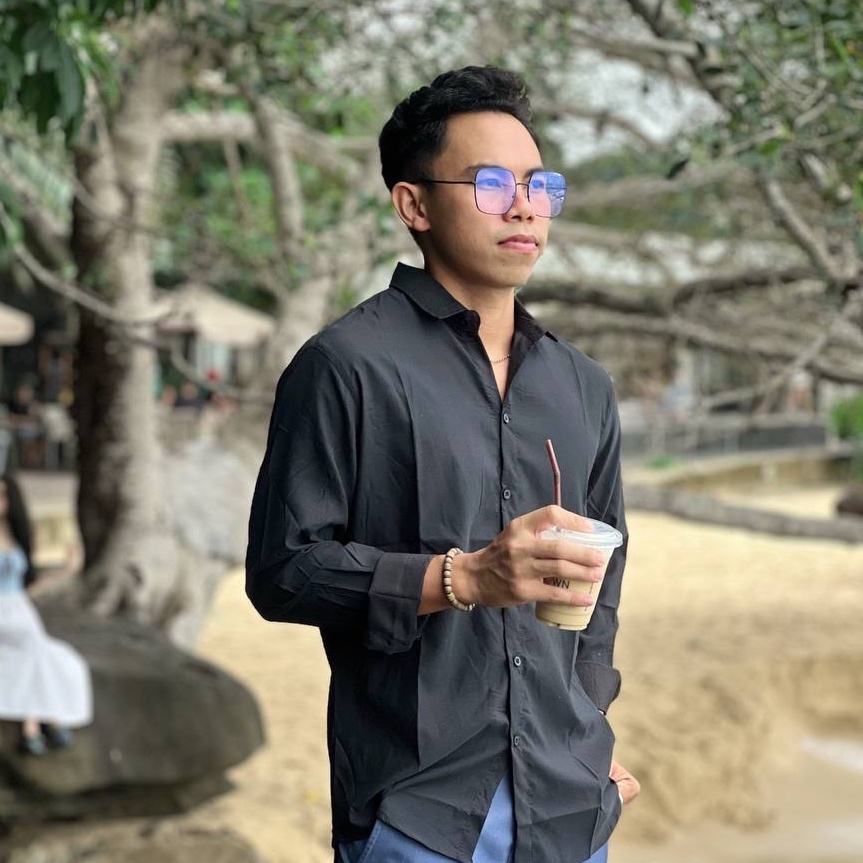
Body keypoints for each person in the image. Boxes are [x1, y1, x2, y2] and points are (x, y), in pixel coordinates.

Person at [246, 66, 639, 863]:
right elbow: (283, 570)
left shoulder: (582, 385)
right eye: (490, 183)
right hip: (416, 812)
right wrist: (460, 577)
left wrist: (587, 727)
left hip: (568, 807)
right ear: (413, 205)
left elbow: (601, 589)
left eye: (538, 185)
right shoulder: (345, 365)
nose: (523, 206)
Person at [0, 473, 93, 756]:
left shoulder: (14, 535)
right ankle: (42, 722)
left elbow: (28, 588)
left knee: (56, 657)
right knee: (35, 649)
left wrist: (65, 571)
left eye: (3, 495)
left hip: (19, 607)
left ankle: (37, 724)